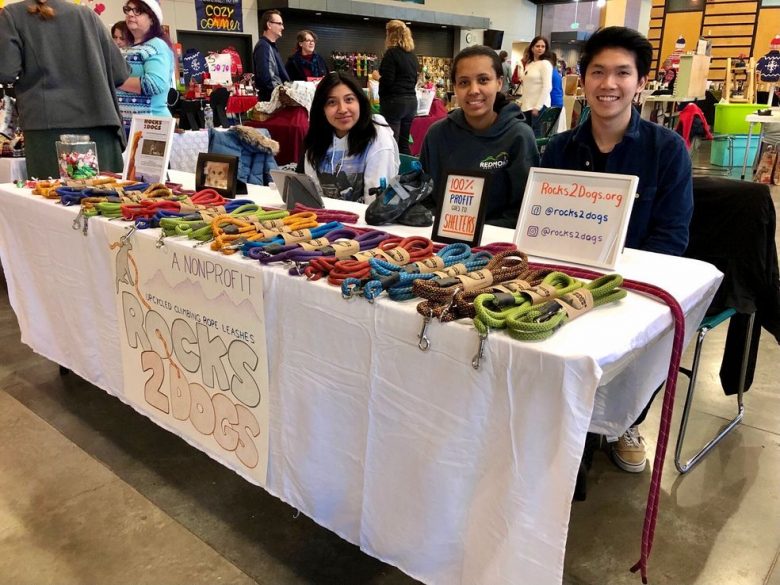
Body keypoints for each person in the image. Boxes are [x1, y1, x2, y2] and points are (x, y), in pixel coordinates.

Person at [541, 26, 693, 473]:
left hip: (637, 285)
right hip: (566, 278)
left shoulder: (668, 151)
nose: (609, 84)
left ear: (641, 82)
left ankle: (627, 418)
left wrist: (619, 284)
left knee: (641, 339)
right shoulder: (559, 148)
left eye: (622, 73)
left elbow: (672, 238)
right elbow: (544, 224)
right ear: (583, 81)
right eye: (598, 72)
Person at [0, 0, 130, 178]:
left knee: (53, 202)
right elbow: (120, 73)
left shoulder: (13, 15)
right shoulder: (88, 16)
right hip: (101, 128)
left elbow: (5, 71)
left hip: (48, 130)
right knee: (104, 201)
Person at [420, 45, 539, 228]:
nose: (474, 90)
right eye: (464, 82)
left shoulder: (519, 136)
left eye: (483, 80)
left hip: (498, 243)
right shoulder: (436, 134)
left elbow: (524, 210)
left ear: (499, 83)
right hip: (442, 241)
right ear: (455, 87)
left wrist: (479, 232)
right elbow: (425, 196)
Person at [303, 72, 399, 204]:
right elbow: (315, 197)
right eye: (332, 102)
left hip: (366, 220)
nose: (342, 109)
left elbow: (376, 203)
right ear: (322, 109)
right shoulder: (318, 138)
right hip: (328, 221)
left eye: (349, 100)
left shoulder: (378, 137)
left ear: (360, 101)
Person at [116, 0, 174, 131]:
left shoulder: (157, 45)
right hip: (130, 127)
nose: (130, 14)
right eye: (128, 9)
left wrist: (114, 81)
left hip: (151, 126)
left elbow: (154, 84)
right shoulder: (129, 48)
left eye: (138, 11)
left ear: (152, 19)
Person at [379, 20, 419, 155]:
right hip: (411, 102)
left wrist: (377, 77)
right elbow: (414, 80)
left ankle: (391, 173)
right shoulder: (412, 56)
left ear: (390, 34)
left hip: (394, 103)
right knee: (403, 142)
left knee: (391, 142)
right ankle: (407, 174)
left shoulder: (391, 54)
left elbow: (387, 81)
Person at [253, 9, 290, 101]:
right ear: (269, 25)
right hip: (272, 101)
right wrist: (282, 95)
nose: (283, 27)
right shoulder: (264, 47)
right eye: (279, 24)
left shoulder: (270, 46)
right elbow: (266, 78)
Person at [520, 35, 553, 136]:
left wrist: (538, 106)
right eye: (537, 46)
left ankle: (537, 153)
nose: (540, 48)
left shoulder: (545, 64)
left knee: (537, 136)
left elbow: (547, 87)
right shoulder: (529, 64)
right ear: (532, 47)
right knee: (527, 135)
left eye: (543, 46)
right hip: (526, 106)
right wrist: (521, 101)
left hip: (539, 106)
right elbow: (526, 86)